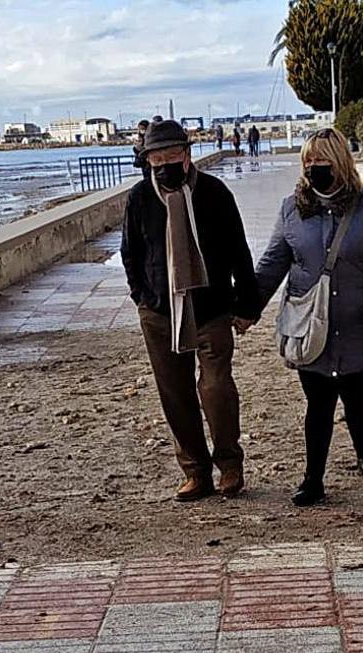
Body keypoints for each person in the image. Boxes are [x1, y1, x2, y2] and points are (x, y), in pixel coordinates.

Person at [253, 127, 363, 507]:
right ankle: (313, 479)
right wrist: (246, 308)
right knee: (318, 401)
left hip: (358, 319)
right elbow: (274, 261)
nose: (314, 168)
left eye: (322, 161)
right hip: (310, 324)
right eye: (309, 162)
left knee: (357, 395)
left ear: (340, 163)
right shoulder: (292, 207)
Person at [120, 120, 262, 502]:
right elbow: (130, 253)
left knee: (216, 388)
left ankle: (230, 465)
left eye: (171, 157)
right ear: (147, 161)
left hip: (211, 308)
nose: (163, 165)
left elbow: (238, 251)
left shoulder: (214, 193)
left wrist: (247, 304)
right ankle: (195, 472)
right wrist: (141, 298)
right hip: (159, 312)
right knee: (175, 393)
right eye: (156, 159)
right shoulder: (138, 199)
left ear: (186, 155)